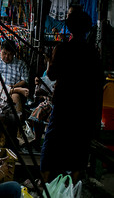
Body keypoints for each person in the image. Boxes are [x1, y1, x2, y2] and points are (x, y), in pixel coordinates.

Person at [40, 10, 104, 183]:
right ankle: (74, 186)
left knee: (52, 140)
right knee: (79, 144)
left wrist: (49, 61)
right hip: (84, 106)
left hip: (63, 103)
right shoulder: (93, 52)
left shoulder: (62, 49)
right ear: (87, 29)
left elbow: (51, 75)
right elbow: (99, 79)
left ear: (70, 28)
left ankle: (44, 181)